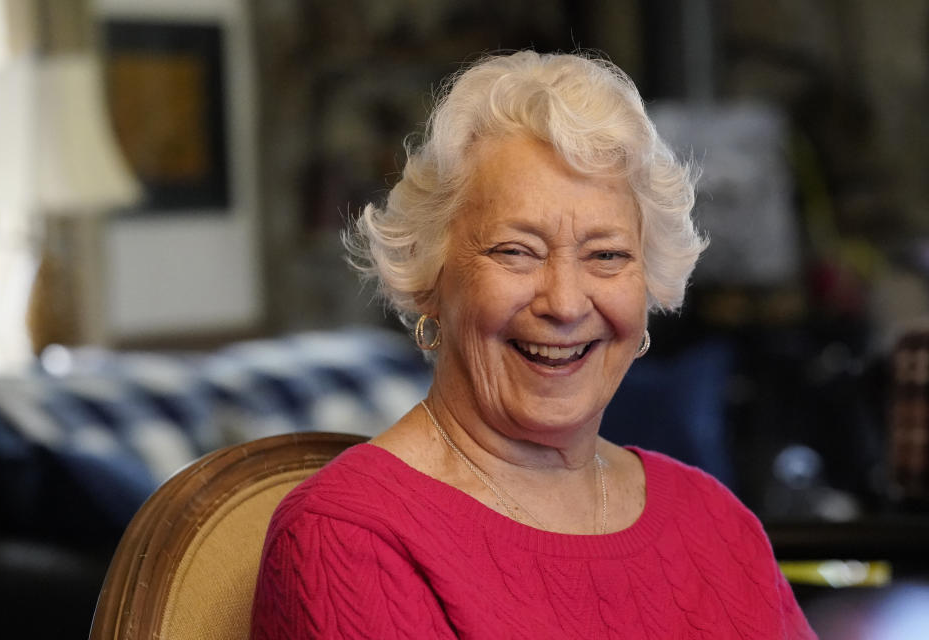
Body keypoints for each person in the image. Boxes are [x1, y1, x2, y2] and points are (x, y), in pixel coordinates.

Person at [251, 50, 816, 639]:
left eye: (607, 256)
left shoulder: (716, 520)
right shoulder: (344, 538)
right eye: (515, 252)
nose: (566, 304)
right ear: (428, 279)